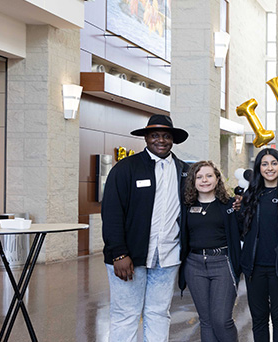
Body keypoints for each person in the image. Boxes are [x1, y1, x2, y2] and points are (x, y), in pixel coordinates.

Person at [101, 114, 190, 341]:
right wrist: (119, 253)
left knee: (159, 313)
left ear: (173, 140)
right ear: (146, 138)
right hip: (128, 257)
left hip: (167, 257)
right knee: (126, 314)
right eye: (155, 135)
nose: (161, 140)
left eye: (166, 136)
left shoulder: (183, 171)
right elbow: (111, 213)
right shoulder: (125, 169)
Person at [239, 148, 278, 342]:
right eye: (264, 164)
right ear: (258, 168)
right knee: (259, 319)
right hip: (254, 267)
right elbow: (242, 228)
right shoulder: (250, 195)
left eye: (274, 163)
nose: (269, 168)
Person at [177, 161, 242, 341]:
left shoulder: (230, 205)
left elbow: (244, 228)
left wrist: (242, 208)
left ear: (217, 178)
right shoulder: (186, 206)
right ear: (193, 181)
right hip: (194, 265)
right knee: (205, 320)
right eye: (199, 177)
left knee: (222, 320)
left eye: (209, 176)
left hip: (222, 263)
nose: (204, 180)